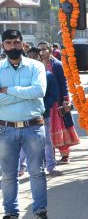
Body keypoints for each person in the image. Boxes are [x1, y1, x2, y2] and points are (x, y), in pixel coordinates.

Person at [0, 29, 52, 219]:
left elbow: (39, 91)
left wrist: (7, 91)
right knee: (8, 175)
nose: (13, 46)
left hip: (33, 127)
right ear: (3, 45)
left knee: (37, 172)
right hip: (6, 129)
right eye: (9, 43)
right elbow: (30, 93)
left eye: (16, 42)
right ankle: (11, 215)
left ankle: (40, 212)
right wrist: (25, 94)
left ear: (23, 44)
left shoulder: (36, 66)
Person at [19, 47, 61, 177]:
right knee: (23, 142)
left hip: (43, 115)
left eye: (34, 56)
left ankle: (51, 167)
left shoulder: (47, 75)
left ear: (39, 58)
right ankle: (20, 168)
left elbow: (54, 95)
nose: (32, 59)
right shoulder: (21, 76)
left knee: (47, 141)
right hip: (23, 115)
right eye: (29, 56)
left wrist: (43, 107)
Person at [37, 41, 78, 164]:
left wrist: (66, 100)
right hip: (45, 101)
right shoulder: (38, 66)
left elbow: (64, 83)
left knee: (60, 126)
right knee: (46, 129)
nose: (42, 52)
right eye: (40, 50)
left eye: (45, 49)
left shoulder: (57, 64)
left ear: (50, 50)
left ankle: (65, 154)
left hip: (57, 101)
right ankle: (50, 156)